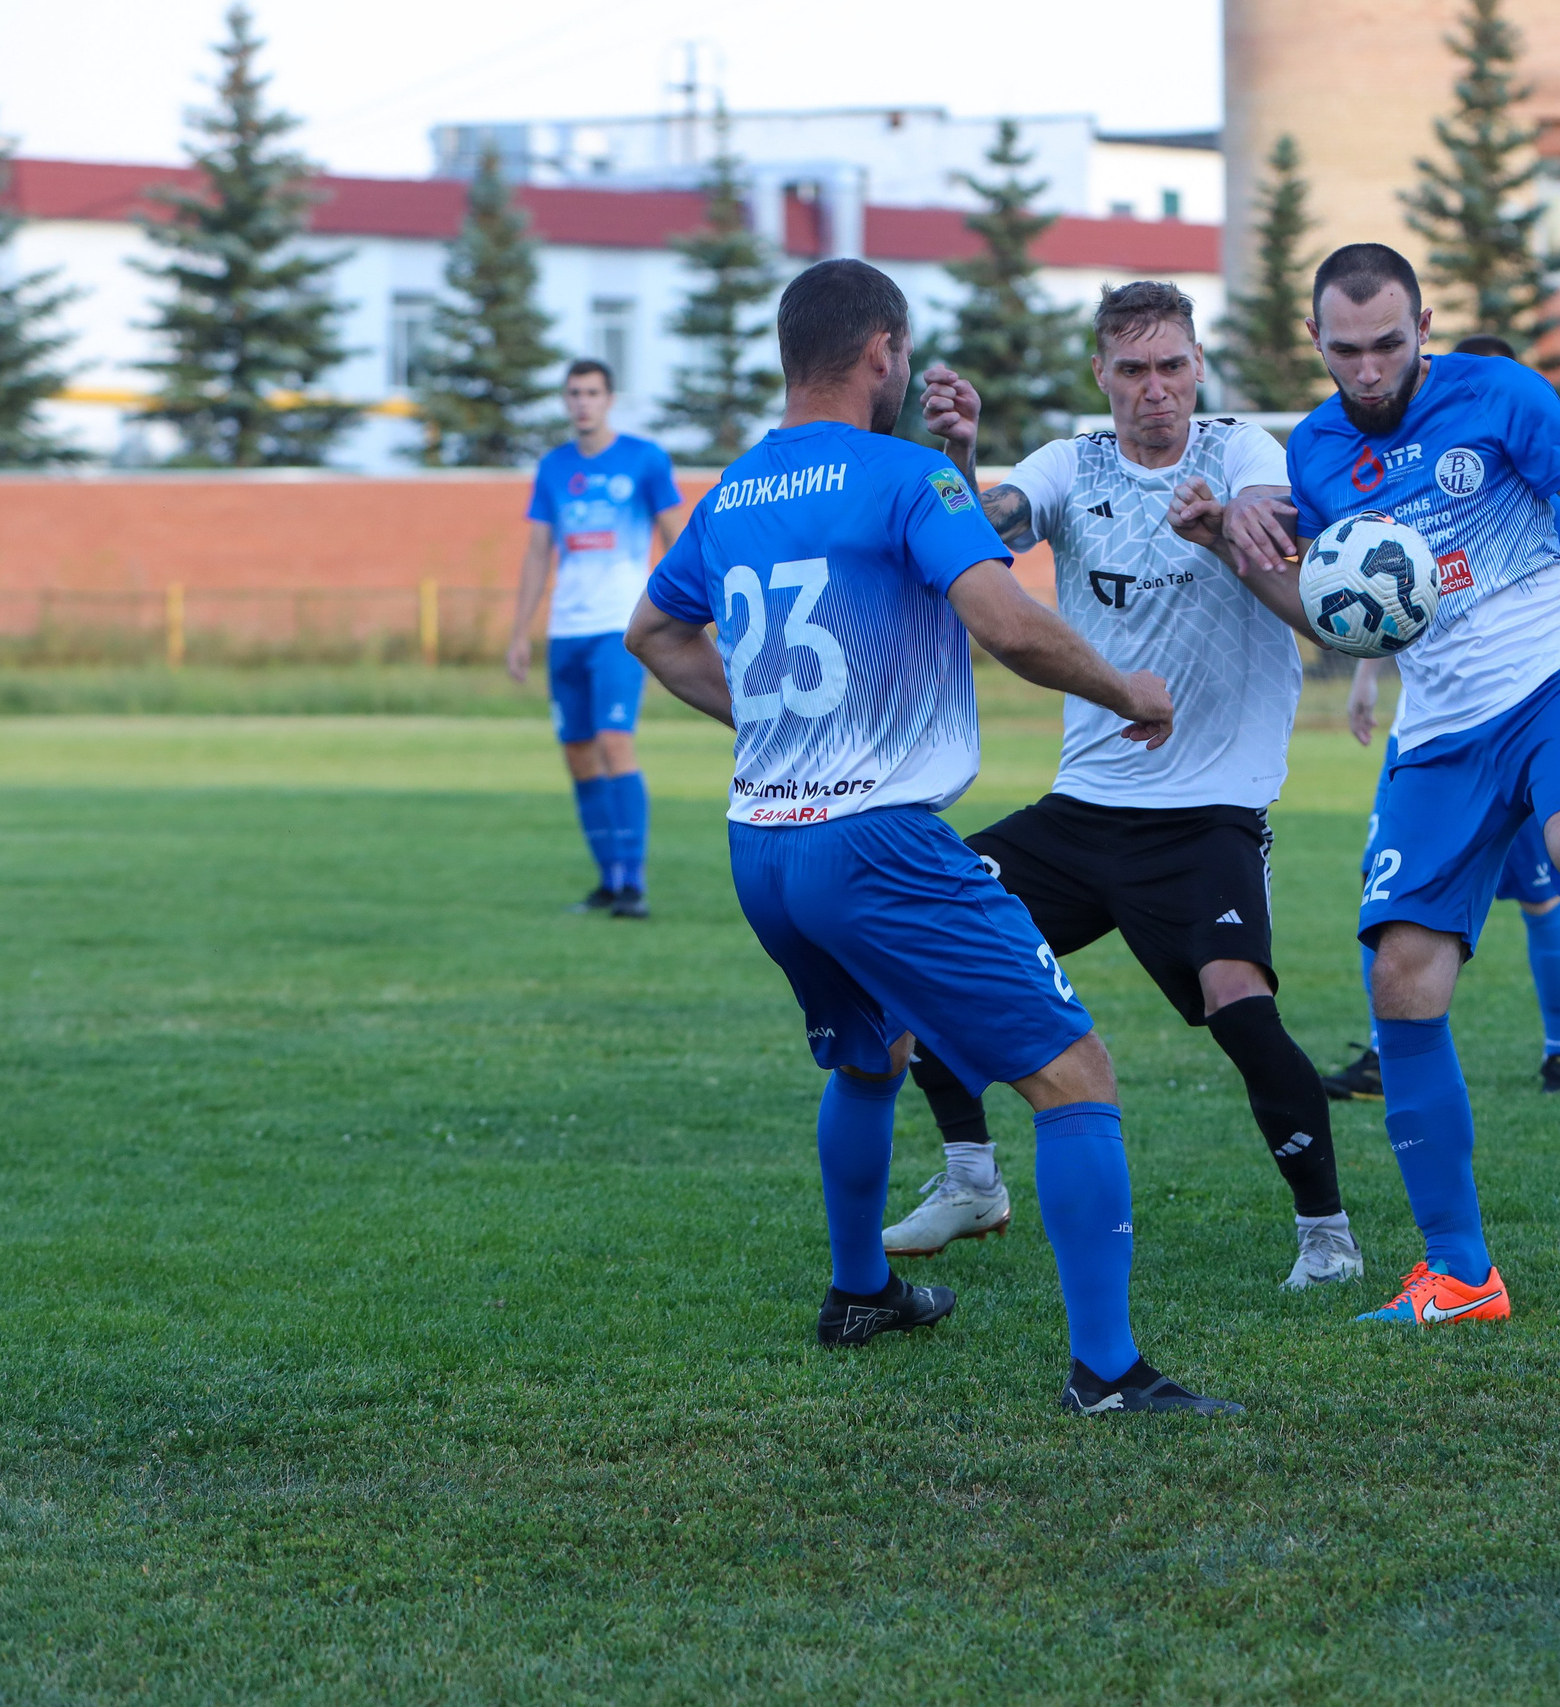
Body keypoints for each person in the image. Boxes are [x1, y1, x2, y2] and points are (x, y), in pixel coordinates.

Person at [625, 258, 1239, 1416]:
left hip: (764, 843)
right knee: (1075, 1076)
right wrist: (1129, 694)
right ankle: (1107, 1373)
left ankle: (862, 1292)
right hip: (878, 844)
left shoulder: (735, 490)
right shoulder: (909, 476)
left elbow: (653, 631)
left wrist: (770, 727)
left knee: (872, 1052)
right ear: (882, 354)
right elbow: (1007, 622)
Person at [1171, 243, 1560, 1330]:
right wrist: (1232, 552)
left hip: (1550, 672)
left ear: (1423, 327)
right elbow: (1331, 615)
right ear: (1316, 345)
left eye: (1388, 344)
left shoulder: (1500, 394)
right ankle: (1460, 1275)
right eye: (1347, 350)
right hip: (1437, 726)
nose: (1369, 369)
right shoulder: (1317, 455)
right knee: (1403, 983)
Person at [878, 282, 1367, 1293]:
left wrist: (1222, 527)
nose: (1156, 390)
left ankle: (1326, 1236)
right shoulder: (1071, 464)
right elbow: (988, 536)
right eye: (1134, 370)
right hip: (1085, 808)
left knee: (1239, 1007)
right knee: (913, 932)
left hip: (1208, 813)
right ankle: (971, 1177)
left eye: (1173, 367)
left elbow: (1286, 543)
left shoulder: (1242, 456)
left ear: (1199, 369)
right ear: (1101, 374)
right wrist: (962, 457)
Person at [1322, 335, 1560, 1103]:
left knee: (1543, 889)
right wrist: (1367, 680)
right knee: (1384, 890)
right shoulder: (1416, 480)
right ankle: (1386, 1055)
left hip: (1531, 714)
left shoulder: (1546, 487)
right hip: (1432, 724)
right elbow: (1389, 592)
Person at [507, 360, 687, 918]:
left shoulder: (644, 459)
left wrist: (689, 612)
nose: (582, 402)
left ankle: (633, 884)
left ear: (610, 399)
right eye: (573, 394)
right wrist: (519, 632)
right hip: (567, 631)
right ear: (565, 401)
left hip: (618, 627)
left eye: (591, 393)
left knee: (615, 742)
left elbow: (676, 536)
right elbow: (538, 552)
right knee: (578, 754)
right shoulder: (553, 467)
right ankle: (607, 880)